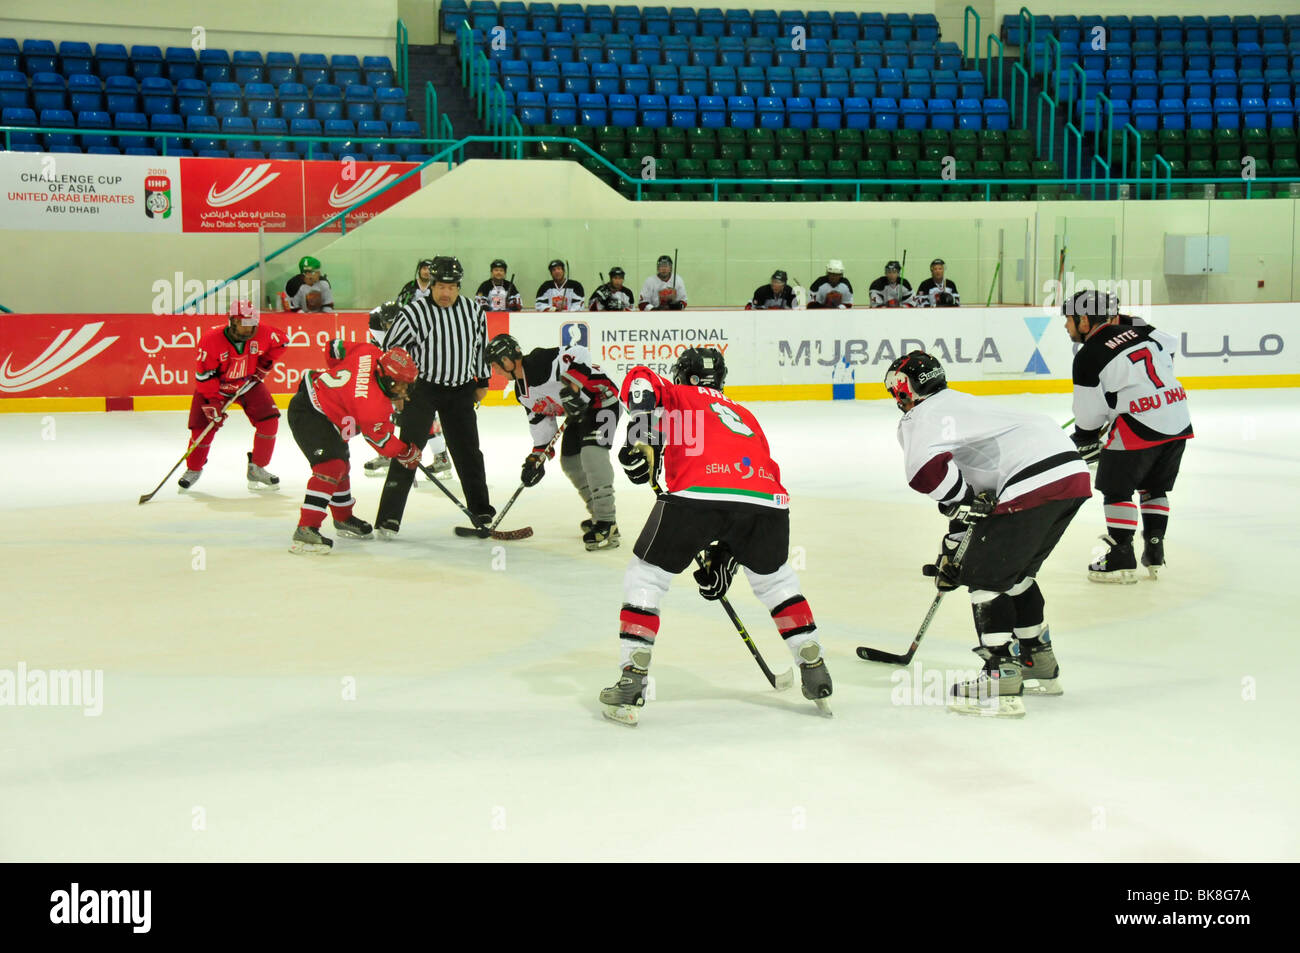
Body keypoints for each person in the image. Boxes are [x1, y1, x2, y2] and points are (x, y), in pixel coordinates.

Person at [598, 347, 832, 726]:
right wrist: (729, 552)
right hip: (768, 501)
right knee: (776, 581)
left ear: (684, 376)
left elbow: (639, 379)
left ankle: (632, 675)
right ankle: (813, 660)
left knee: (647, 576)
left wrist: (636, 435)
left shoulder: (676, 395)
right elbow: (745, 488)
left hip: (696, 497)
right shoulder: (745, 414)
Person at [885, 350, 1091, 717]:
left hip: (1030, 479)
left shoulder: (923, 414)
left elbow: (924, 473)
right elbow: (973, 500)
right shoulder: (961, 405)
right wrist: (956, 536)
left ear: (905, 390)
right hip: (1070, 475)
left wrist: (963, 505)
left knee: (985, 578)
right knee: (1017, 576)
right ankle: (1038, 663)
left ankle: (1001, 673)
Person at [1064, 289, 1193, 582]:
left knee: (1117, 489)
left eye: (1069, 319)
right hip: (1177, 416)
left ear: (1085, 320)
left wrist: (1085, 437)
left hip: (1140, 425)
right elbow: (1169, 345)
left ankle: (1121, 555)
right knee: (1153, 487)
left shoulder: (1088, 355)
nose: (1066, 326)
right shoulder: (1140, 330)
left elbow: (1087, 417)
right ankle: (1155, 549)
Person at [375, 255, 494, 536]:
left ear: (459, 287)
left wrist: (483, 380)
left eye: (451, 287)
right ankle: (388, 518)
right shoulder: (414, 313)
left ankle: (481, 509)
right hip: (423, 390)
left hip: (461, 389)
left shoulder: (474, 312)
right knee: (408, 452)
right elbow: (393, 349)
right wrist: (398, 389)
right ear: (431, 285)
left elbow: (481, 348)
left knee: (469, 453)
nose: (445, 293)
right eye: (440, 286)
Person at [485, 333, 623, 550]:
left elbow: (580, 352)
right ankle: (599, 515)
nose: (496, 371)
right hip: (577, 413)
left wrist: (573, 388)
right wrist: (535, 459)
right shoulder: (522, 393)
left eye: (496, 365)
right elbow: (542, 426)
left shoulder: (539, 362)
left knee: (592, 454)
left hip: (602, 399)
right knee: (570, 461)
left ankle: (607, 521)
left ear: (507, 359)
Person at [286, 341, 422, 554]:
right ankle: (307, 527)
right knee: (330, 467)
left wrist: (341, 384)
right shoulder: (372, 406)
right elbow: (381, 442)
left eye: (407, 384)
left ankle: (342, 517)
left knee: (341, 465)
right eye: (399, 384)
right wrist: (405, 453)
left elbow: (333, 347)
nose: (404, 390)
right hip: (310, 413)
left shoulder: (369, 351)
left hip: (322, 403)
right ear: (384, 377)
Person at [178, 300, 285, 492]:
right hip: (215, 387)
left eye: (252, 325)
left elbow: (282, 342)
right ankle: (193, 469)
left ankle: (257, 468)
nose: (248, 330)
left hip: (247, 385)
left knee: (269, 420)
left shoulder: (264, 332)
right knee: (202, 430)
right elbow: (204, 375)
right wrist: (212, 401)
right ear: (231, 321)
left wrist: (264, 365)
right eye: (243, 325)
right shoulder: (210, 340)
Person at [362, 300, 452, 478]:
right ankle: (386, 452)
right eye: (388, 324)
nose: (391, 327)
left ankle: (441, 457)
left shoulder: (413, 328)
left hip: (413, 377)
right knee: (383, 415)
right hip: (389, 378)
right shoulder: (376, 329)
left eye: (394, 323)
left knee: (424, 417)